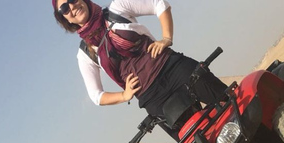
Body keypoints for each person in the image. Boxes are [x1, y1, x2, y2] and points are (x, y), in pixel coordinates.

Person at [52, 0, 227, 122]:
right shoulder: (84, 54)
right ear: (64, 19)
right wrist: (124, 95)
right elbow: (96, 96)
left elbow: (159, 4)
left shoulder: (116, 8)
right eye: (64, 9)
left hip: (173, 68)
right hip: (153, 98)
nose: (72, 7)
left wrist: (166, 38)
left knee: (230, 103)